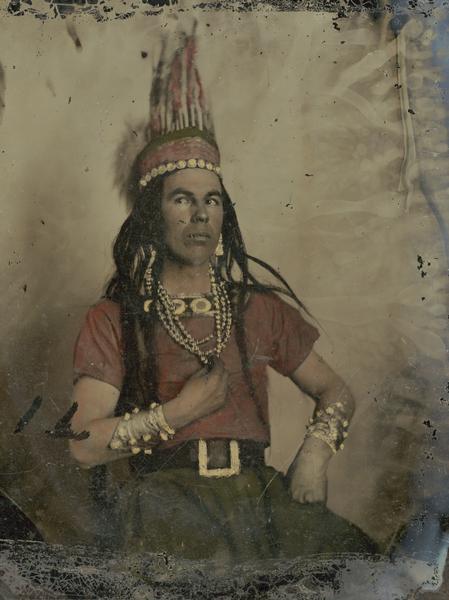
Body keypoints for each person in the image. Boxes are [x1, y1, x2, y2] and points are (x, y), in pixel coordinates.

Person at [69, 31, 376, 560]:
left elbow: (338, 393)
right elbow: (81, 445)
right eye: (182, 199)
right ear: (152, 215)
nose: (200, 215)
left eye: (211, 200)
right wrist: (178, 413)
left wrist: (314, 455)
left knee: (365, 569)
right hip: (164, 509)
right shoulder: (115, 319)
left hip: (257, 503)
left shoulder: (257, 309)